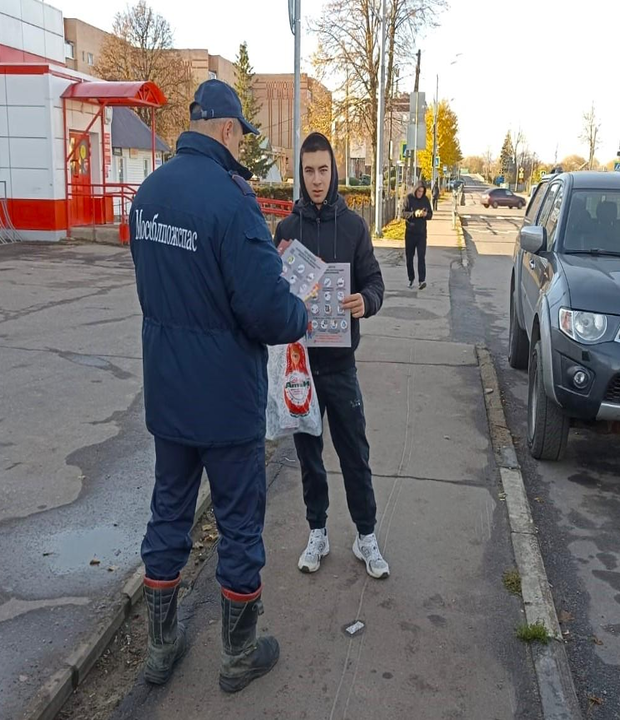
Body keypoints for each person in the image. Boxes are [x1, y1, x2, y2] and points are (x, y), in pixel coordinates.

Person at [128, 79, 309, 694]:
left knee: (168, 515)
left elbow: (151, 289)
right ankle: (237, 654)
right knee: (238, 524)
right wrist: (302, 311)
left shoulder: (147, 194)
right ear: (229, 130)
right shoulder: (233, 204)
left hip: (169, 393)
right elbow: (266, 311)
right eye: (242, 136)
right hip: (226, 403)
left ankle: (159, 647)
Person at [273, 132, 389, 580]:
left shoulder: (354, 226)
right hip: (301, 366)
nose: (316, 180)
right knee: (308, 455)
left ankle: (366, 536)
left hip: (341, 366)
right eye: (308, 171)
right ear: (299, 175)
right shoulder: (287, 230)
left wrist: (366, 301)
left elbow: (376, 283)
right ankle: (317, 531)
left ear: (334, 170)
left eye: (323, 170)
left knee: (355, 453)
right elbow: (271, 291)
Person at [402, 181, 434, 290]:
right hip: (410, 233)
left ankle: (422, 280)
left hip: (421, 234)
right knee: (409, 257)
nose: (420, 193)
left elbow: (430, 215)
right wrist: (414, 214)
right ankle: (411, 278)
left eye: (422, 191)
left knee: (421, 257)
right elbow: (403, 213)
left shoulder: (425, 200)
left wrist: (425, 215)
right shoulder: (409, 198)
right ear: (415, 190)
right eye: (419, 191)